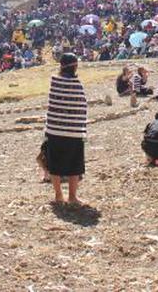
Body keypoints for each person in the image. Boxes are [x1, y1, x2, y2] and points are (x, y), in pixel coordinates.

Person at [44, 53, 87, 205]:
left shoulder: (54, 82)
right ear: (74, 66)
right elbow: (82, 107)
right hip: (74, 131)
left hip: (54, 129)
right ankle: (72, 197)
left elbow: (53, 105)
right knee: (74, 164)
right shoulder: (77, 84)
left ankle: (58, 195)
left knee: (55, 164)